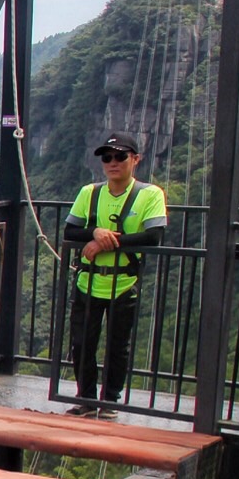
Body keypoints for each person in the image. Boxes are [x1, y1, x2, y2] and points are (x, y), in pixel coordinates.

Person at [61, 131, 168, 418]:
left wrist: (105, 242)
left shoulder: (149, 194)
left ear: (136, 159)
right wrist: (94, 232)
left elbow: (154, 235)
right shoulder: (90, 193)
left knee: (117, 346)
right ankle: (86, 399)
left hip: (124, 281)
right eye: (107, 158)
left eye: (120, 156)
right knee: (82, 343)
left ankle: (109, 401)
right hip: (88, 280)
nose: (113, 162)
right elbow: (69, 231)